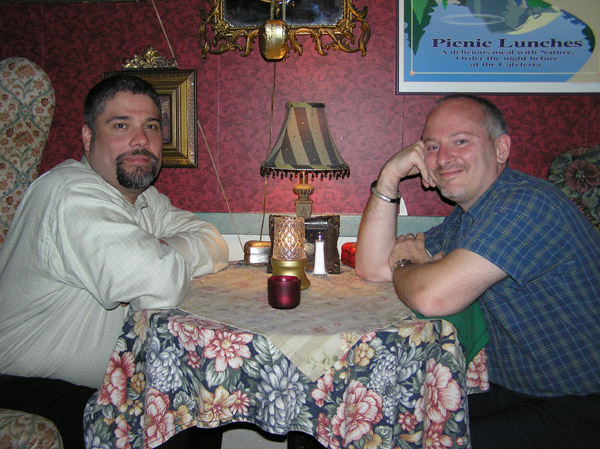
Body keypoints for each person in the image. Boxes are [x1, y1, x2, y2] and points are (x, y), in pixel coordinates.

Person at [355, 94, 600, 449]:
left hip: (579, 405)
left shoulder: (528, 204)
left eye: (461, 141)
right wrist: (389, 177)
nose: (443, 158)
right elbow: (373, 267)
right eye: (432, 146)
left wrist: (406, 264)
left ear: (501, 149)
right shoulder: (466, 219)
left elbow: (432, 297)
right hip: (518, 391)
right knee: (387, 424)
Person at [0, 74, 229, 448]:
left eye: (150, 126)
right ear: (88, 137)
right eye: (121, 125)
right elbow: (161, 283)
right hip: (25, 390)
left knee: (200, 411)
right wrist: (159, 256)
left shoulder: (144, 199)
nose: (141, 140)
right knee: (181, 429)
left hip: (98, 386)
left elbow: (215, 243)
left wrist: (158, 247)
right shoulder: (70, 194)